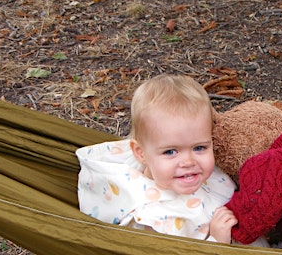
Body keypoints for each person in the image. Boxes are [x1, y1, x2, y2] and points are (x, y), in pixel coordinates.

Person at [76, 74, 268, 246]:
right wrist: (215, 242)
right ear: (140, 153)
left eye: (199, 147)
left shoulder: (185, 171)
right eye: (170, 152)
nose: (188, 161)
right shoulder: (148, 218)